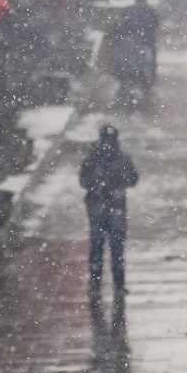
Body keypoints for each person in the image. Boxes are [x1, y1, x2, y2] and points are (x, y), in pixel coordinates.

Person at [78, 124, 138, 304]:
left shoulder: (97, 158)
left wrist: (105, 185)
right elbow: (133, 179)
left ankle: (103, 283)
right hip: (109, 208)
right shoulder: (116, 158)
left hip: (104, 208)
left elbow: (133, 178)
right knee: (110, 246)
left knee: (104, 245)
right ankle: (111, 284)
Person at [108, 0, 160, 112]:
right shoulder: (150, 11)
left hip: (130, 44)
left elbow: (120, 27)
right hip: (147, 43)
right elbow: (156, 23)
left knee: (127, 64)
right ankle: (146, 87)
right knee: (148, 66)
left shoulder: (128, 11)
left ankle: (126, 85)